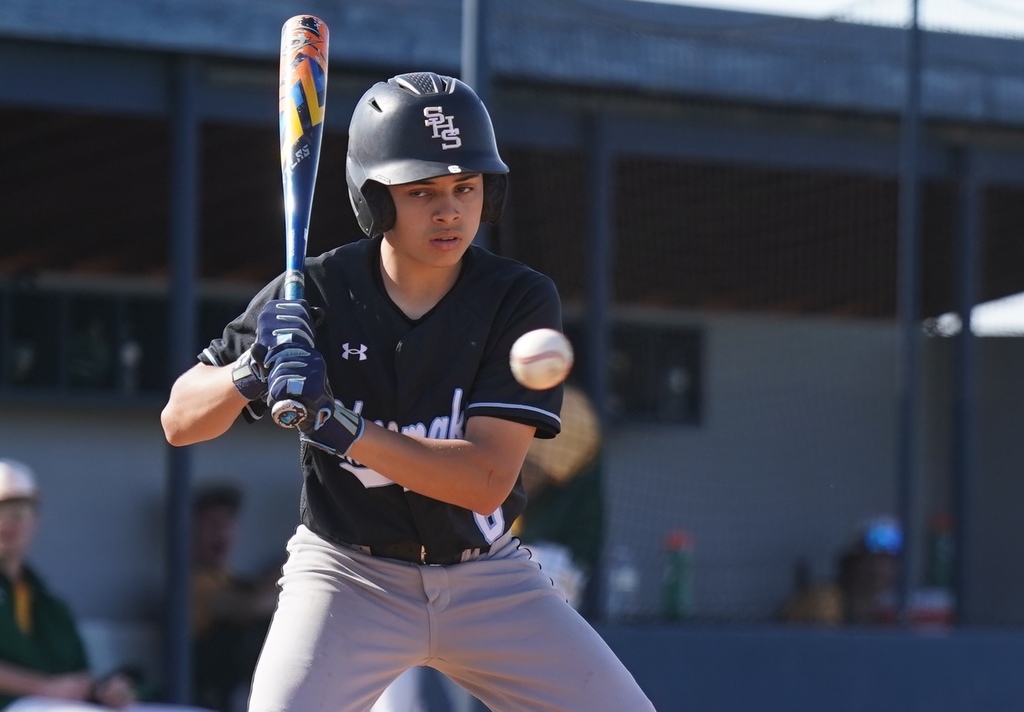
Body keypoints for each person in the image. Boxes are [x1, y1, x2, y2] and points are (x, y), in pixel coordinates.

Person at [161, 71, 655, 712]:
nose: (450, 210)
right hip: (345, 575)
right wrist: (249, 370)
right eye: (422, 191)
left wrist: (338, 426)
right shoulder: (313, 290)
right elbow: (180, 420)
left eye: (466, 187)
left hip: (487, 575)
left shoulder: (517, 297)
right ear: (376, 200)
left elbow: (483, 480)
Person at [0, 458, 211, 712]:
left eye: (20, 511)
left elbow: (77, 676)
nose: (9, 522)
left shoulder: (47, 603)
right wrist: (43, 687)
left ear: (35, 519)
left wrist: (105, 690)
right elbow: (54, 689)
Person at [190, 485, 277, 712]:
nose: (221, 531)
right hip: (212, 697)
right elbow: (251, 607)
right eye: (211, 523)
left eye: (227, 522)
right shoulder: (191, 584)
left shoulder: (235, 580)